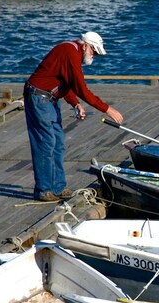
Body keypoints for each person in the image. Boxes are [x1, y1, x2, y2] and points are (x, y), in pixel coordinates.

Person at [23, 31, 125, 202]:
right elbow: (80, 87)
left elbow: (67, 81)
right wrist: (107, 109)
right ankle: (43, 190)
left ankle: (58, 187)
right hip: (38, 97)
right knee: (46, 142)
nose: (95, 56)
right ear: (86, 45)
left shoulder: (74, 53)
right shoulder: (70, 52)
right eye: (94, 51)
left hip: (50, 98)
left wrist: (75, 103)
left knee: (58, 144)